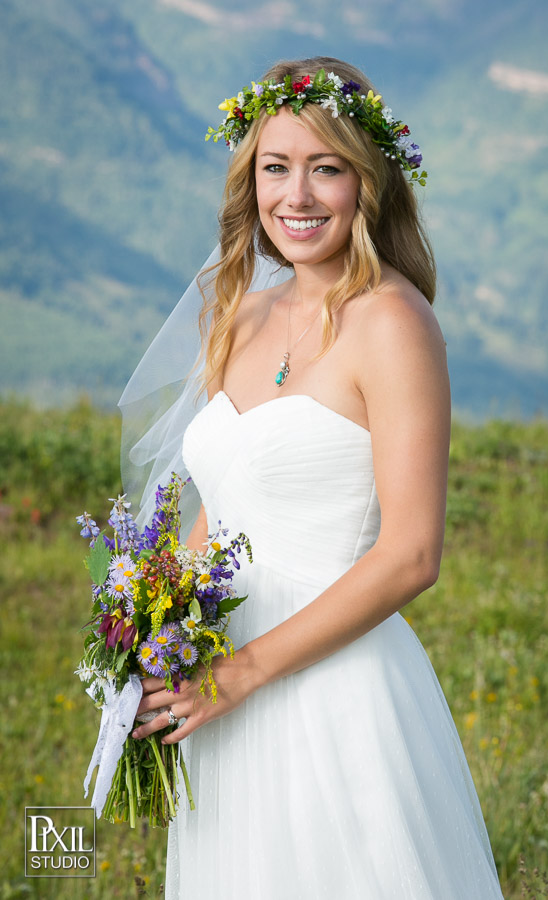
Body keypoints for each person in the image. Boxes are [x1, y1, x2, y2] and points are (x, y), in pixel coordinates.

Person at [124, 57, 504, 899]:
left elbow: (411, 555)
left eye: (325, 168)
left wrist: (242, 673)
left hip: (332, 687)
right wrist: (154, 631)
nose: (296, 196)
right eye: (276, 167)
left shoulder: (395, 323)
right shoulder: (236, 311)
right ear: (249, 179)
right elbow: (223, 504)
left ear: (365, 183)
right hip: (219, 682)